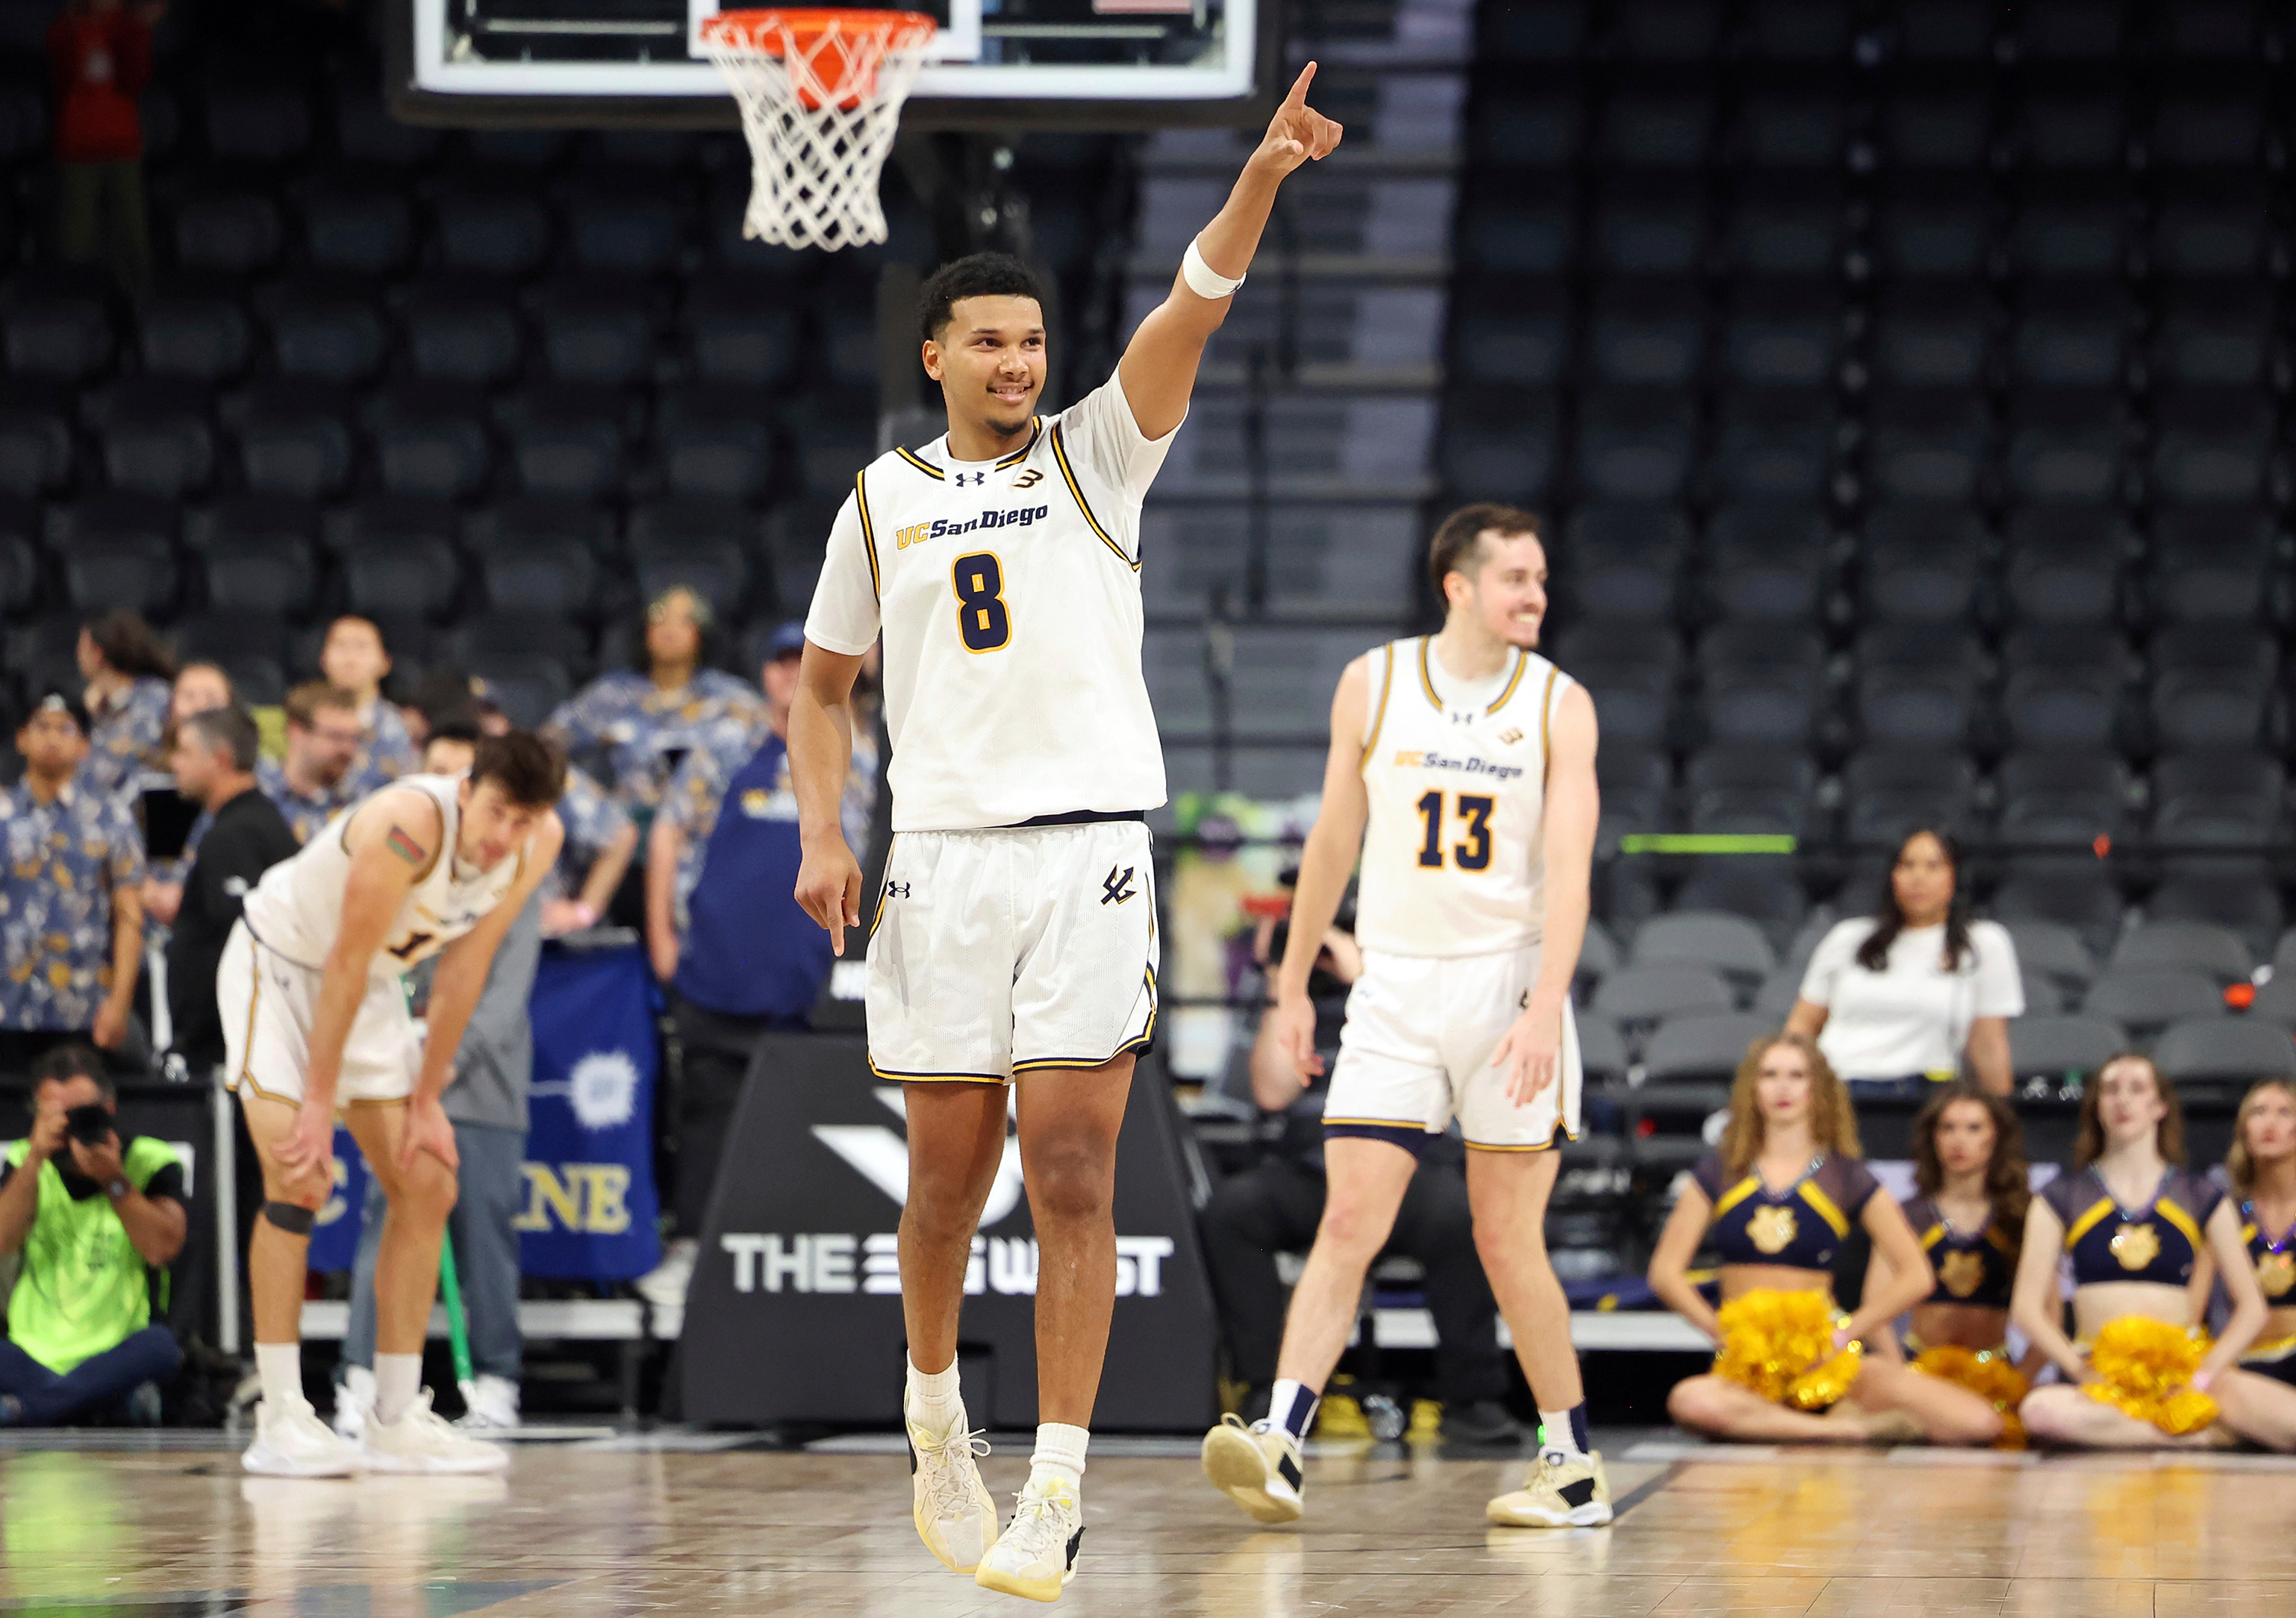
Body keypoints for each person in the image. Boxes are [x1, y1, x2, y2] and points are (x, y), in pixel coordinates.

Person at [789, 65, 1341, 1603]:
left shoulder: (1101, 456)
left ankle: (1055, 1486)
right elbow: (823, 690)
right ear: (938, 356)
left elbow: (1195, 300)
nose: (1020, 360)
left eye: (1032, 340)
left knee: (1077, 1172)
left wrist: (1261, 179)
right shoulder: (880, 500)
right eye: (992, 342)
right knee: (945, 1180)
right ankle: (931, 1412)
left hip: (1088, 850)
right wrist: (822, 831)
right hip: (939, 860)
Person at [1196, 501, 1606, 1530]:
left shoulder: (1560, 704)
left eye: (1543, 582)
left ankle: (1573, 1464)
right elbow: (1332, 840)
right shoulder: (1373, 684)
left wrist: (1545, 1007)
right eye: (1519, 579)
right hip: (1394, 984)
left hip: (1508, 982)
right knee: (1346, 1220)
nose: (1537, 598)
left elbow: (1570, 874)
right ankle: (1282, 1441)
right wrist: (1293, 985)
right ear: (1457, 584)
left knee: (1506, 1237)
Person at [218, 729, 564, 1476]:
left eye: (524, 821)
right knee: (299, 1174)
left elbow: (465, 967)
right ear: (467, 789)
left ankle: (396, 1414)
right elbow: (341, 960)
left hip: (368, 987)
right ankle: (281, 1415)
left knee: (428, 1180)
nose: (506, 836)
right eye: (498, 812)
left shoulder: (539, 842)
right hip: (280, 967)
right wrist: (318, 1102)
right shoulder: (407, 825)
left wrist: (428, 1094)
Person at [1196, 896, 1521, 1446]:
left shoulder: (1407, 983)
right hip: (1312, 1168)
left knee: (1460, 1216)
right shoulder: (1289, 1001)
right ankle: (1268, 1392)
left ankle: (1474, 1398)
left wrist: (1363, 983)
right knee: (1234, 1212)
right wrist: (1284, 979)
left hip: (1402, 1166)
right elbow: (1272, 1091)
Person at [637, 625, 877, 1312]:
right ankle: (690, 1253)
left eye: (803, 661)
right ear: (765, 677)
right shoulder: (726, 742)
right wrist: (661, 934)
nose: (790, 674)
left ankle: (800, 1258)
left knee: (806, 1122)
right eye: (779, 664)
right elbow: (667, 830)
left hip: (816, 979)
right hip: (716, 970)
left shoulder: (865, 750)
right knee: (707, 1116)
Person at [335, 727, 543, 1437]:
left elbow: (500, 992)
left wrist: (442, 1057)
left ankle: (495, 1380)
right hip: (400, 1070)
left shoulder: (516, 868)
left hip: (480, 1085)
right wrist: (407, 1056)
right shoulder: (410, 853)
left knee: (484, 1230)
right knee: (386, 1223)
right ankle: (361, 1379)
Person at [1647, 1033, 2003, 1446]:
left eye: (1797, 1076)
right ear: (1752, 1088)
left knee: (1979, 1423)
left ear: (1818, 1089)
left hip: (1828, 1359)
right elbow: (1664, 1273)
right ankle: (1844, 1429)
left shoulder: (1845, 1175)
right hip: (1748, 1371)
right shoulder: (1721, 1170)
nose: (1783, 1087)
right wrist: (1720, 1332)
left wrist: (1845, 1334)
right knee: (1692, 1401)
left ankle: (1796, 1423)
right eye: (1770, 1075)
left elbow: (1916, 1276)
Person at [2012, 1055, 2296, 1451]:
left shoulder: (2202, 1196)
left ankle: (2179, 1421)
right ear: (2096, 1107)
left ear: (2160, 1107)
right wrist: (2079, 1370)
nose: (2122, 1101)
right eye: (2111, 1089)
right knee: (2040, 1411)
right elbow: (2026, 1307)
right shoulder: (2060, 1196)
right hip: (2100, 1373)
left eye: (2137, 1088)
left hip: (2181, 1372)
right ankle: (2200, 1435)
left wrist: (2200, 1377)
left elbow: (2252, 1308)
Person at [0, 1044, 185, 1425]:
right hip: (33, 1353)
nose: (73, 1127)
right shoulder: (23, 1160)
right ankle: (91, 1403)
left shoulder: (148, 1160)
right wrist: (36, 1159)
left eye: (85, 1113)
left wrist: (113, 1179)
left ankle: (29, 1409)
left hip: (117, 1350)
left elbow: (162, 1249)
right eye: (60, 1117)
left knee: (161, 1347)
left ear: (110, 1107)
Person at [1787, 828, 2022, 1097]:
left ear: (1955, 877)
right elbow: (1803, 1025)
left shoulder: (1984, 943)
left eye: (1933, 866)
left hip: (1925, 1094)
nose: (1918, 877)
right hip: (1839, 1088)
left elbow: (1988, 1042)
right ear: (1892, 876)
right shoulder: (1849, 937)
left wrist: (2004, 1116)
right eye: (1907, 865)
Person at [1865, 1083, 2033, 1439]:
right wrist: (1901, 1378)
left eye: (1974, 1128)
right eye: (1948, 1128)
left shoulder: (2018, 1219)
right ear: (1933, 1138)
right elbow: (1874, 1308)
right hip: (1921, 1369)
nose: (1960, 1141)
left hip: (1995, 1372)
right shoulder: (1907, 1216)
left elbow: (2045, 1312)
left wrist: (2021, 1383)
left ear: (1996, 1138)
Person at [0, 692, 146, 1074]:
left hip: (82, 1007)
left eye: (65, 728)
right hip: (8, 1005)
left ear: (83, 745)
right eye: (41, 727)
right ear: (21, 738)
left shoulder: (112, 818)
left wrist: (120, 1001)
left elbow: (129, 915)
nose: (52, 738)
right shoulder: (2, 814)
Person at [160, 707, 299, 1077]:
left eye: (185, 752)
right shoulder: (254, 822)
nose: (174, 763)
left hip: (234, 1048)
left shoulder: (238, 833)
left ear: (220, 758)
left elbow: (240, 935)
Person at [543, 585, 764, 816]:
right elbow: (545, 747)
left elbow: (776, 748)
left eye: (684, 622)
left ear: (702, 633)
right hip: (631, 825)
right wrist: (596, 802)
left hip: (705, 828)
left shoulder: (728, 697)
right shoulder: (612, 695)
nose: (670, 630)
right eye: (660, 620)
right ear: (646, 631)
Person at [47, 0, 160, 296]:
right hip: (79, 144)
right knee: (78, 231)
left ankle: (136, 300)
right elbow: (59, 67)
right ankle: (78, 302)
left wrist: (134, 32)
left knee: (131, 230)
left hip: (122, 143)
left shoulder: (127, 30)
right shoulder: (66, 28)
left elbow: (137, 76)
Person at [140, 662, 240, 928]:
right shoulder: (142, 778)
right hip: (150, 919)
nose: (200, 706)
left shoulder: (253, 777)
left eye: (212, 698)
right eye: (189, 697)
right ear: (171, 708)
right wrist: (148, 890)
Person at [2224, 1077, 2296, 1388]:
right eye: (2258, 1112)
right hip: (2244, 1365)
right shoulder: (2224, 1212)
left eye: (2284, 1113)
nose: (2270, 1123)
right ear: (2243, 1130)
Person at [77, 608, 175, 804]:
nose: (77, 655)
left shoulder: (154, 698)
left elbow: (120, 766)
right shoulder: (106, 706)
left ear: (96, 653)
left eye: (80, 646)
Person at [319, 616, 420, 790]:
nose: (350, 659)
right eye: (340, 645)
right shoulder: (303, 721)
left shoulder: (400, 729)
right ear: (323, 659)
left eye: (362, 647)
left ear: (385, 662)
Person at [258, 682, 364, 845]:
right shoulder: (261, 799)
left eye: (354, 738)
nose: (348, 749)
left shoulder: (357, 805)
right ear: (296, 732)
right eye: (336, 736)